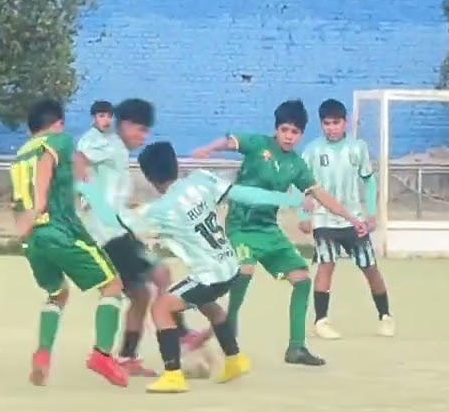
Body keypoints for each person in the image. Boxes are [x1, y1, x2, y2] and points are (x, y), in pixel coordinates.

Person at [92, 141, 308, 393]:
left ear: (150, 178)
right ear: (175, 164)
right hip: (230, 264)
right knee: (209, 305)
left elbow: (114, 221)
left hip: (209, 275)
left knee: (162, 308)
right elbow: (245, 194)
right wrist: (285, 198)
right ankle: (235, 360)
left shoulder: (159, 210)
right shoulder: (201, 179)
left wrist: (92, 192)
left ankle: (173, 375)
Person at [192, 99, 367, 367]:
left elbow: (320, 195)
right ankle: (230, 336)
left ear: (301, 135)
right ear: (276, 130)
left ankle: (296, 348)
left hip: (268, 229)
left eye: (295, 132)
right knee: (245, 271)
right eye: (284, 130)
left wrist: (351, 218)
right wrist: (206, 150)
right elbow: (230, 141)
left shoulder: (296, 165)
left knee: (301, 279)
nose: (289, 136)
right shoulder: (258, 144)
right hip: (240, 226)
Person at [74, 98, 198, 377]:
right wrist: (81, 189)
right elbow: (78, 156)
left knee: (140, 294)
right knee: (161, 274)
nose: (144, 137)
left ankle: (128, 357)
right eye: (140, 130)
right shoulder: (110, 144)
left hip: (116, 233)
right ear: (125, 125)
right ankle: (181, 334)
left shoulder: (116, 153)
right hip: (108, 235)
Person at [11, 98, 127, 388]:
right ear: (58, 123)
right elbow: (56, 169)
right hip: (59, 229)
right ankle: (102, 355)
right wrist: (44, 204)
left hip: (32, 238)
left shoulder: (20, 154)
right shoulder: (58, 141)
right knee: (112, 286)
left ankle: (42, 356)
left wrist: (23, 229)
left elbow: (17, 200)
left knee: (57, 293)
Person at [298, 98, 394, 340]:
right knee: (326, 265)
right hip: (324, 219)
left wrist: (371, 212)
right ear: (321, 125)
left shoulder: (358, 148)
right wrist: (303, 214)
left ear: (345, 122)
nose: (331, 127)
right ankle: (321, 320)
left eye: (336, 122)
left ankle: (385, 316)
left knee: (370, 268)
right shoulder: (312, 151)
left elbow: (368, 181)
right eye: (327, 123)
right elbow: (300, 186)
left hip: (354, 220)